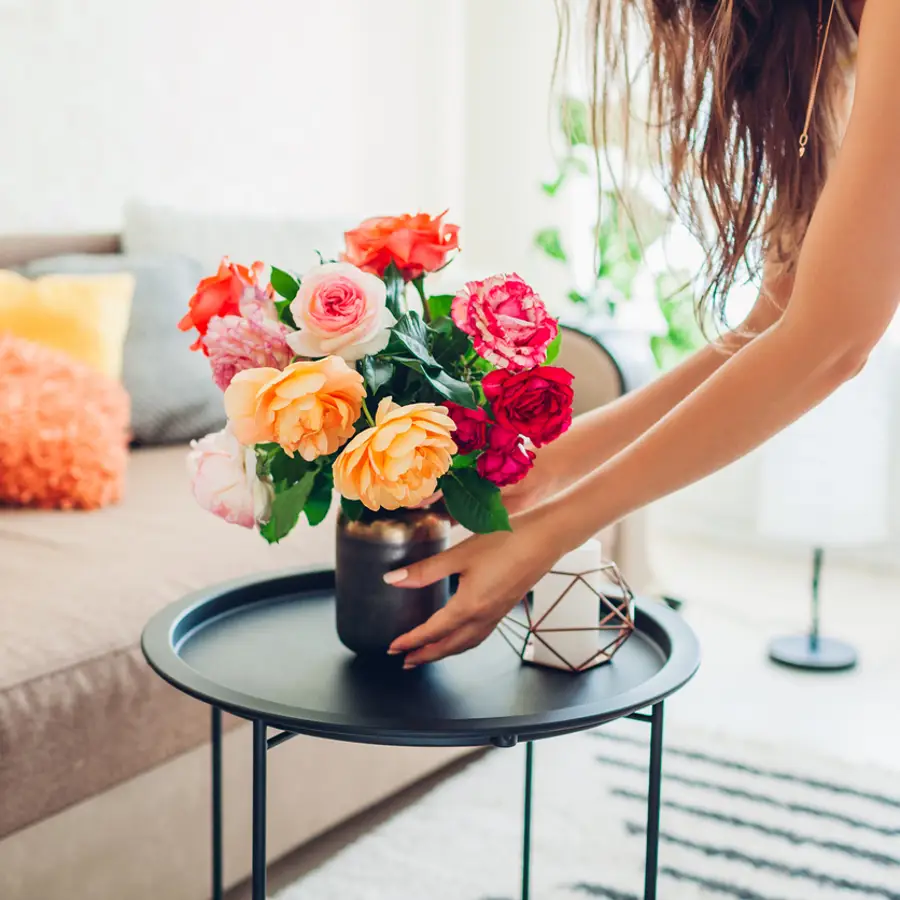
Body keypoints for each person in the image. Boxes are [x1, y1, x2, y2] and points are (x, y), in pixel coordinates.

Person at [387, 0, 898, 668]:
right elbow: (772, 324)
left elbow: (831, 341)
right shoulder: (828, 28)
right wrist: (552, 466)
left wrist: (551, 530)